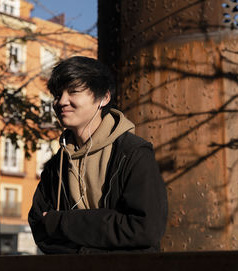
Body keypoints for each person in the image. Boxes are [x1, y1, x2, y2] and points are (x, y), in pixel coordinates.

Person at [28, 56, 168, 254]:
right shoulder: (56, 165)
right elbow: (40, 228)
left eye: (73, 92)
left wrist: (60, 222)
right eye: (58, 94)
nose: (61, 102)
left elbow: (144, 229)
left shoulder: (133, 153)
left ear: (104, 98)